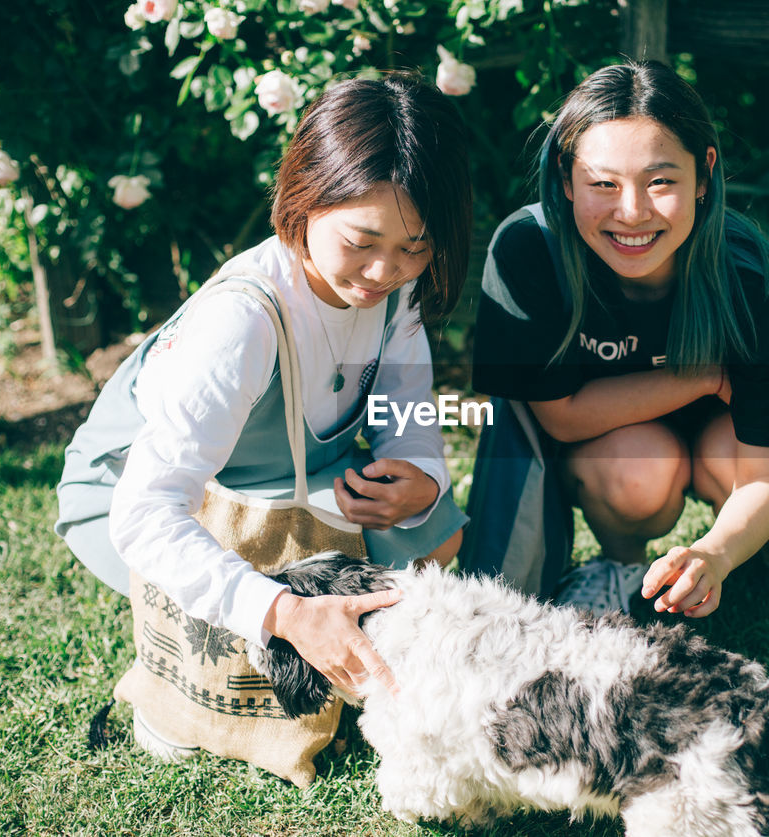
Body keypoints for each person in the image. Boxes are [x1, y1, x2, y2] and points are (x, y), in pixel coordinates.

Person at [55, 73, 471, 705]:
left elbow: (403, 413)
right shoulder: (240, 322)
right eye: (361, 243)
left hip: (297, 477)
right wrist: (283, 611)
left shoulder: (397, 292)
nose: (385, 271)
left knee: (434, 529)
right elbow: (145, 512)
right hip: (144, 491)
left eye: (414, 248)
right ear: (304, 199)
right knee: (232, 616)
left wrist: (421, 472)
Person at [469, 61, 769, 625]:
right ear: (566, 178)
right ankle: (619, 563)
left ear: (704, 174)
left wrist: (716, 553)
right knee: (632, 470)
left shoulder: (751, 281)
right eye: (603, 184)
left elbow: (768, 466)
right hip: (618, 437)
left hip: (730, 438)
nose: (632, 212)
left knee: (756, 450)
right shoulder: (527, 252)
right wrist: (702, 375)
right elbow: (560, 419)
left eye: (660, 181)